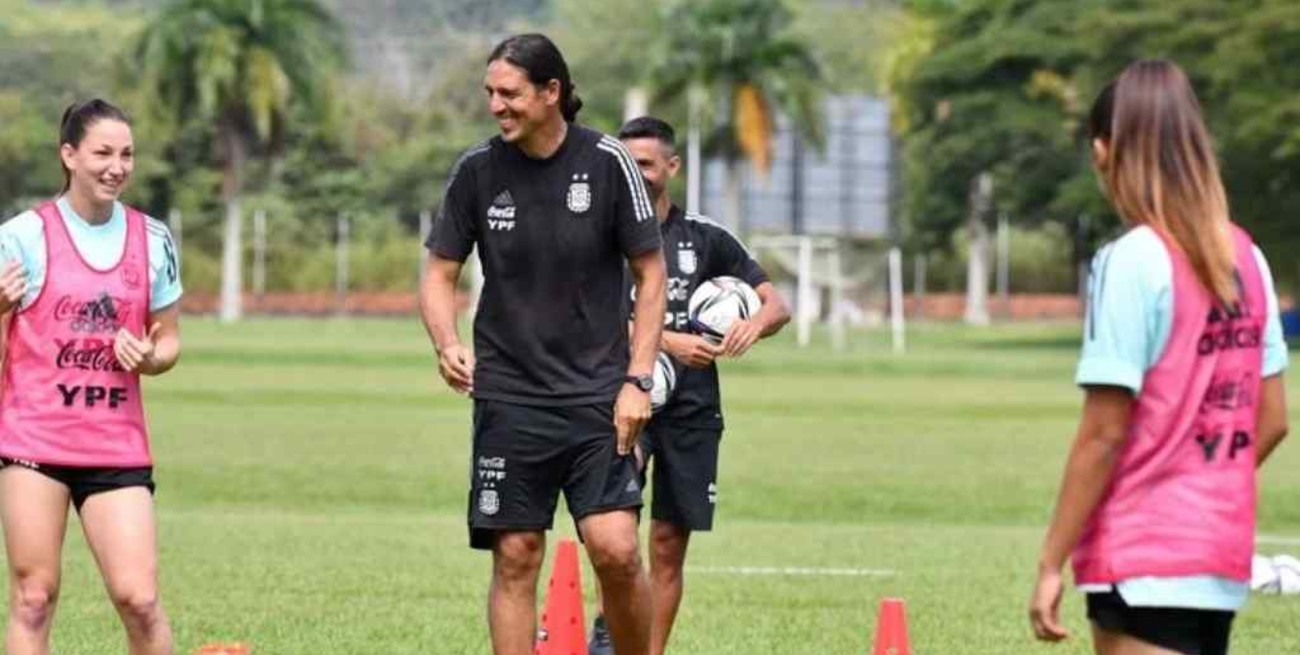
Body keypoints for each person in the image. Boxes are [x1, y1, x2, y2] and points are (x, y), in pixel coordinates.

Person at [1028, 60, 1289, 655]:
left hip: (1141, 553)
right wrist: (1202, 492)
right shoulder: (1249, 257)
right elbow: (1272, 419)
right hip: (1218, 551)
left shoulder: (1130, 260)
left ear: (1104, 151)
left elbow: (1104, 432)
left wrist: (1050, 561)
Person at [419, 34, 667, 655]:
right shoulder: (477, 171)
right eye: (490, 94)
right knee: (516, 554)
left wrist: (638, 380)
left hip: (597, 397)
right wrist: (445, 340)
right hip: (509, 398)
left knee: (614, 549)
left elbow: (651, 271)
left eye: (510, 93)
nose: (496, 105)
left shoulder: (608, 163)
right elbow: (438, 270)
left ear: (551, 92)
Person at [587, 116, 790, 655]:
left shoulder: (705, 237)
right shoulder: (598, 238)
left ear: (671, 168)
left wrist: (753, 324)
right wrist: (669, 343)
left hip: (694, 408)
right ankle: (609, 635)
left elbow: (777, 304)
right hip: (624, 399)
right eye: (627, 164)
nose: (636, 173)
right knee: (616, 534)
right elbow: (584, 317)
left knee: (668, 543)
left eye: (646, 164)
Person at [0, 99, 183, 655]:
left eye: (126, 154)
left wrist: (150, 357)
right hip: (34, 442)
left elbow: (169, 339)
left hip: (115, 445)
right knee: (34, 597)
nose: (116, 166)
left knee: (140, 600)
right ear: (69, 155)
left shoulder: (153, 239)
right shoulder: (20, 238)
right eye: (103, 152)